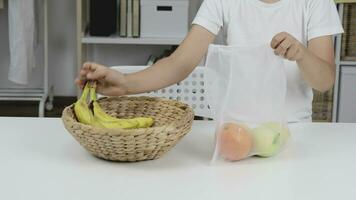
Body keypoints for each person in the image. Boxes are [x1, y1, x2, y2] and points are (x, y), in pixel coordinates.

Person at [75, 0, 343, 122]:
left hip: (293, 129)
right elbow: (179, 63)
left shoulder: (316, 3)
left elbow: (324, 81)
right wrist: (125, 84)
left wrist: (301, 54)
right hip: (233, 128)